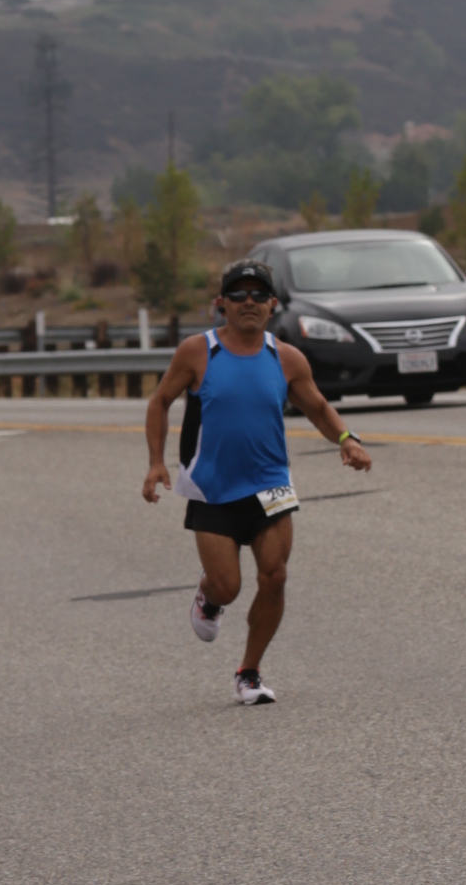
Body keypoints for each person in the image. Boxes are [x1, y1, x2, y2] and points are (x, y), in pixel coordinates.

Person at [142, 256, 371, 703]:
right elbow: (159, 401)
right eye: (238, 294)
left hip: (270, 483)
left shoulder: (286, 358)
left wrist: (347, 438)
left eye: (259, 294)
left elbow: (318, 407)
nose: (249, 301)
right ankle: (209, 595)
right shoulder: (198, 351)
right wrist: (156, 462)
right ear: (221, 303)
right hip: (212, 488)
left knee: (275, 576)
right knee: (228, 585)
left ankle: (248, 672)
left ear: (272, 305)